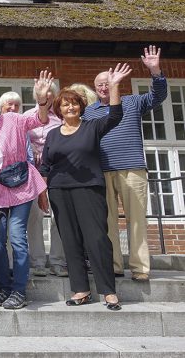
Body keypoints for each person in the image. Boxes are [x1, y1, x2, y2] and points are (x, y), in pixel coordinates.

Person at [41, 63, 131, 310]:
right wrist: (42, 193)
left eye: (74, 103)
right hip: (59, 191)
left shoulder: (92, 127)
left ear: (81, 107)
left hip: (89, 188)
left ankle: (108, 291)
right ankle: (80, 289)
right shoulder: (53, 135)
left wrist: (113, 87)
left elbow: (115, 115)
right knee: (70, 240)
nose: (70, 107)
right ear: (59, 109)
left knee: (97, 238)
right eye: (65, 104)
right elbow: (45, 166)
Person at [0, 71, 52, 309]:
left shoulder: (11, 120)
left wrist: (42, 101)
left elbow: (38, 119)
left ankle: (19, 290)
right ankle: (4, 286)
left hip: (23, 186)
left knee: (16, 237)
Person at [83, 46, 167, 281]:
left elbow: (158, 96)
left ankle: (140, 269)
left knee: (137, 221)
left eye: (107, 81)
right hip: (102, 172)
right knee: (107, 222)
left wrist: (155, 71)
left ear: (116, 82)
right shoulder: (89, 112)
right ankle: (114, 265)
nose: (103, 86)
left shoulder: (133, 102)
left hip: (133, 169)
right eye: (99, 83)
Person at [23, 82, 68, 278]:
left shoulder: (62, 118)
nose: (47, 97)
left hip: (58, 172)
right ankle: (38, 261)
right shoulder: (26, 117)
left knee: (59, 218)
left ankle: (58, 261)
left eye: (51, 94)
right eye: (44, 94)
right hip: (33, 173)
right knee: (35, 217)